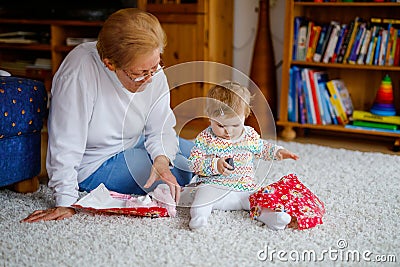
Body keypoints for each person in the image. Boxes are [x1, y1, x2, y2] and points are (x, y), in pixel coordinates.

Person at [22, 8, 194, 223]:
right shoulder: (79, 72)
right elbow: (65, 142)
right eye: (141, 73)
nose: (151, 78)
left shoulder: (151, 68)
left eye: (156, 66)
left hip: (134, 141)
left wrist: (161, 159)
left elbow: (160, 127)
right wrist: (65, 200)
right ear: (109, 64)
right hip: (96, 162)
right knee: (183, 174)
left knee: (207, 153)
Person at [187, 81, 299, 230]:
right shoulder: (205, 138)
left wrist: (278, 151)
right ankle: (199, 218)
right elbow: (194, 163)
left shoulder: (249, 135)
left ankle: (274, 218)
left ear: (245, 116)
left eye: (235, 125)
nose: (228, 131)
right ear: (209, 117)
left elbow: (262, 148)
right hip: (215, 187)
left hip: (244, 188)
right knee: (202, 198)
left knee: (259, 199)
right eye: (221, 125)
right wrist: (214, 165)